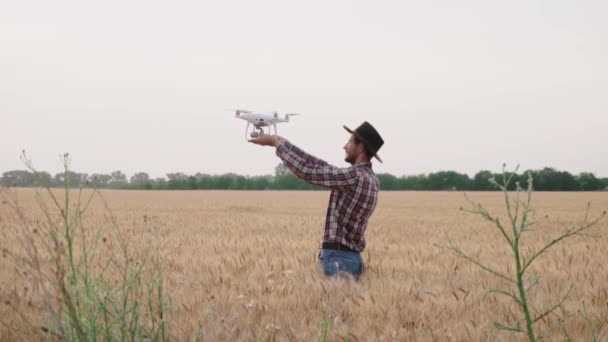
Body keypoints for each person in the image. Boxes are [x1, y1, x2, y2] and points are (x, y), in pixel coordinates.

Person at [249, 121, 384, 280]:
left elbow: (306, 171)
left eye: (349, 142)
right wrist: (284, 143)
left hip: (338, 259)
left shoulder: (353, 177)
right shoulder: (372, 180)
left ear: (360, 147)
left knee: (331, 304)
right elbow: (320, 165)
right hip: (352, 258)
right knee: (344, 305)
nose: (344, 146)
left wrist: (276, 145)